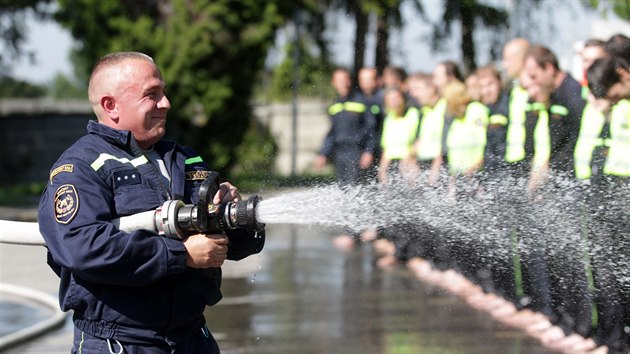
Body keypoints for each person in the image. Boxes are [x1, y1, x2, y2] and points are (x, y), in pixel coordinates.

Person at [38, 52, 265, 354]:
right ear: (110, 106)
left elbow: (232, 246)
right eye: (152, 95)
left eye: (164, 92)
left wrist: (232, 218)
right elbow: (83, 247)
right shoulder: (81, 167)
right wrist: (181, 255)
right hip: (119, 343)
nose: (166, 103)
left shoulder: (184, 158)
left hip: (192, 338)